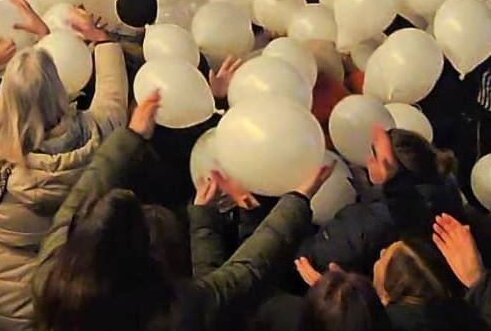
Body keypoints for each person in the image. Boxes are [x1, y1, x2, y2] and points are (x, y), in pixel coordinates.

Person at [32, 93, 333, 331]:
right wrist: (297, 197)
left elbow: (83, 192)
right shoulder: (173, 312)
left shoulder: (50, 275)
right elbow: (249, 270)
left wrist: (132, 137)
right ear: (143, 254)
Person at [0, 6, 127, 331]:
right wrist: (102, 41)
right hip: (67, 286)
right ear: (60, 89)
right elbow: (113, 102)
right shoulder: (95, 136)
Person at [298, 126, 462, 273]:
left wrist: (296, 201)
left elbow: (307, 256)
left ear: (388, 173)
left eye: (374, 155)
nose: (368, 160)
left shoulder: (363, 228)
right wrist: (369, 190)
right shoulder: (444, 185)